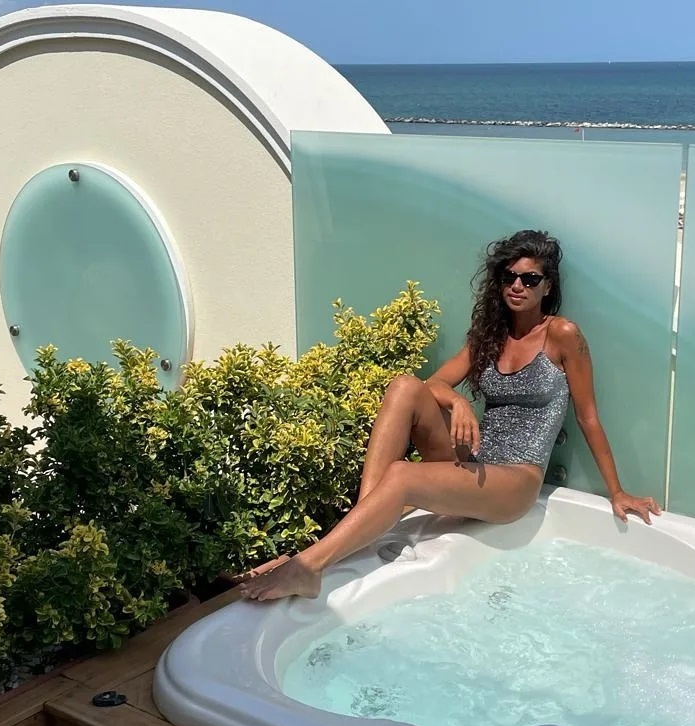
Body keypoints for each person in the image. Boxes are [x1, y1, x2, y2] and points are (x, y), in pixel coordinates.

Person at [240, 229, 660, 601]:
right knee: (404, 386)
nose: (518, 285)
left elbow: (588, 417)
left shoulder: (562, 335)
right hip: (476, 462)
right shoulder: (490, 338)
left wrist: (617, 491)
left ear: (547, 286)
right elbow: (435, 384)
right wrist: (458, 402)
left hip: (516, 480)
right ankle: (356, 532)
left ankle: (309, 566)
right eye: (509, 277)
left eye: (530, 279)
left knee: (402, 475)